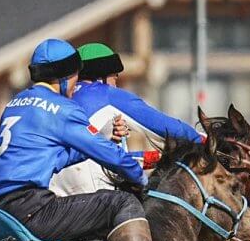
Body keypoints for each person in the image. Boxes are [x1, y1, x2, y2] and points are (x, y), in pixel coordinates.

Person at [0, 38, 200, 241]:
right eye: (75, 79)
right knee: (122, 203)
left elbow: (58, 159)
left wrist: (104, 140)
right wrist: (139, 178)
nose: (76, 87)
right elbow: (114, 158)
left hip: (0, 207)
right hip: (34, 208)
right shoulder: (61, 109)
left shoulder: (15, 104)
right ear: (65, 77)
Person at [51, 43, 203, 197]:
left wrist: (153, 159)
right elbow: (170, 129)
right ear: (102, 75)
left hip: (53, 193)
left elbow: (90, 153)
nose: (116, 83)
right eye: (115, 76)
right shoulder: (107, 94)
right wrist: (206, 140)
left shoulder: (58, 98)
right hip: (90, 194)